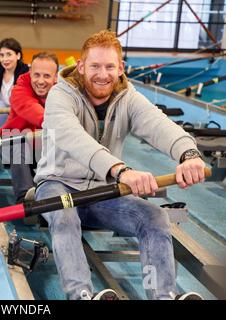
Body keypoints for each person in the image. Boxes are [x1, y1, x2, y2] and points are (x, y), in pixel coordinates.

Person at [34, 30, 206, 300]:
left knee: (154, 217)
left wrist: (188, 153)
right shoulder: (60, 95)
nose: (102, 74)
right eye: (95, 66)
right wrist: (121, 171)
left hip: (103, 192)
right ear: (80, 66)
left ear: (120, 68)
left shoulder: (128, 97)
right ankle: (81, 295)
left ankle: (163, 295)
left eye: (109, 66)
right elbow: (74, 138)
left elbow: (158, 124)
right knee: (65, 217)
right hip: (58, 184)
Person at [0, 52, 59, 204]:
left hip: (41, 147)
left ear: (56, 77)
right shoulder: (19, 90)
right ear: (30, 73)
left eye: (46, 76)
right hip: (13, 144)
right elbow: (35, 111)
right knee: (18, 142)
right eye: (36, 75)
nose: (40, 81)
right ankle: (25, 198)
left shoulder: (62, 92)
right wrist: (65, 127)